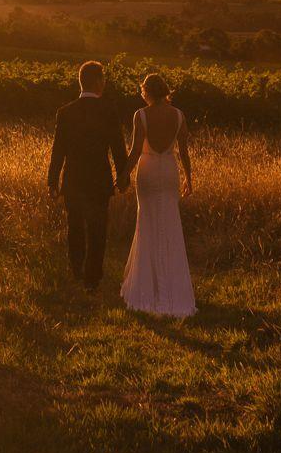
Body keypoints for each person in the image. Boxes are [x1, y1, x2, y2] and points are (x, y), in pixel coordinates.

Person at [48, 60, 130, 292]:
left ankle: (76, 269)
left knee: (74, 226)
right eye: (103, 79)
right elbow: (118, 147)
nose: (104, 84)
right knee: (97, 230)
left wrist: (52, 180)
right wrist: (123, 177)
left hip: (73, 178)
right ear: (97, 82)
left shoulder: (65, 112)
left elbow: (58, 150)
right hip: (98, 179)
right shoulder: (108, 110)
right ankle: (92, 278)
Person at [119, 73, 195, 317]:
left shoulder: (140, 115)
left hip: (148, 169)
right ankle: (171, 286)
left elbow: (134, 152)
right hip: (169, 169)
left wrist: (123, 175)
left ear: (146, 92)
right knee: (170, 222)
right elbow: (183, 151)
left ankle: (147, 286)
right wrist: (189, 179)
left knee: (147, 222)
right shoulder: (179, 115)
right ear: (165, 91)